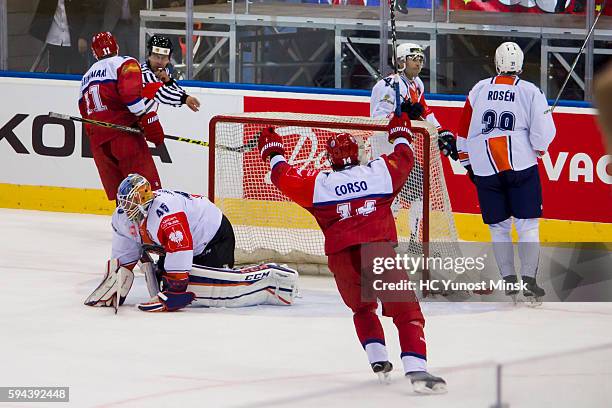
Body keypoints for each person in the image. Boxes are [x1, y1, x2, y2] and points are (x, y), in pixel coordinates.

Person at [256, 114, 447, 393]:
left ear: (330, 158)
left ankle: (378, 359)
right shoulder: (379, 172)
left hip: (341, 256)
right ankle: (417, 369)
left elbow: (282, 175)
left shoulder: (318, 184)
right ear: (358, 154)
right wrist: (401, 132)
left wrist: (273, 151)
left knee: (361, 308)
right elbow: (404, 157)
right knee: (407, 312)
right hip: (377, 250)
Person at [84, 174, 298, 312]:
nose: (127, 208)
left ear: (144, 197)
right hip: (188, 240)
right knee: (164, 275)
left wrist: (176, 289)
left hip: (213, 237)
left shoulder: (165, 213)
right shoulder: (122, 217)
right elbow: (126, 255)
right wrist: (118, 278)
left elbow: (181, 246)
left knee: (212, 291)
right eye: (124, 203)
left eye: (132, 201)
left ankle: (271, 279)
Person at [456, 42, 556, 301]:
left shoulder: (478, 89)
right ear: (520, 65)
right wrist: (538, 150)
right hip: (521, 166)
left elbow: (463, 132)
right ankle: (530, 281)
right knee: (528, 226)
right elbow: (544, 134)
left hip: (485, 168)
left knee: (498, 228)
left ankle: (509, 281)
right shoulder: (530, 91)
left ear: (497, 63)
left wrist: (469, 165)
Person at [370, 43, 458, 250]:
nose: (419, 62)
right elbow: (378, 121)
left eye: (421, 58)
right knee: (391, 198)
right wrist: (401, 114)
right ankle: (384, 239)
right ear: (401, 61)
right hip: (386, 150)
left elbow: (425, 111)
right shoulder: (386, 86)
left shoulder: (416, 84)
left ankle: (414, 241)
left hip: (404, 148)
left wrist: (440, 130)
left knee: (419, 191)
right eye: (414, 57)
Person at [78, 31, 165, 202]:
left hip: (99, 144)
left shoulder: (85, 78)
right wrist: (144, 117)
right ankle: (149, 227)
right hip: (124, 136)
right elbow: (131, 96)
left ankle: (125, 228)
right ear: (116, 47)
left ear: (94, 53)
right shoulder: (125, 63)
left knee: (123, 195)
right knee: (145, 191)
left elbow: (84, 114)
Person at [29, 0, 98, 74]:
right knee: (56, 75)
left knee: (78, 73)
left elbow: (93, 14)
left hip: (77, 41)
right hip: (55, 40)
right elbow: (43, 12)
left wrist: (84, 36)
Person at [141, 35, 201, 114]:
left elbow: (177, 92)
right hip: (127, 122)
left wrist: (168, 81)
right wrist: (185, 99)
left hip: (141, 120)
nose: (159, 61)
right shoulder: (143, 74)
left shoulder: (164, 72)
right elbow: (162, 94)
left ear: (169, 59)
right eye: (156, 56)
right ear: (149, 56)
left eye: (164, 58)